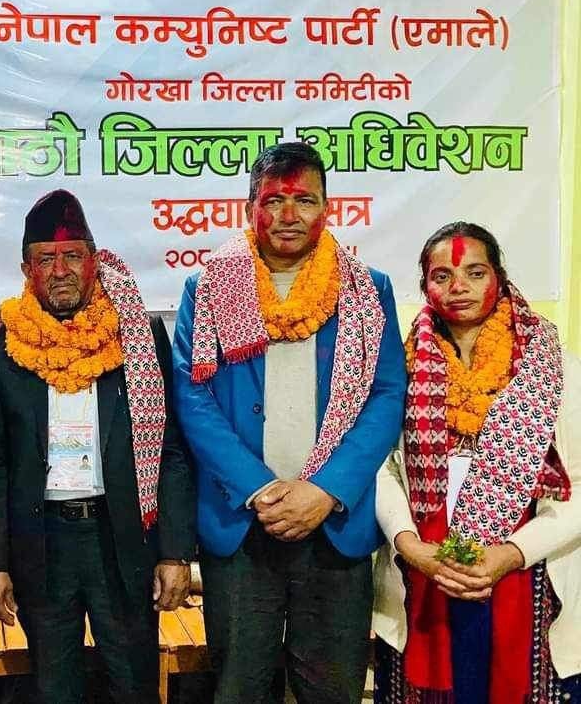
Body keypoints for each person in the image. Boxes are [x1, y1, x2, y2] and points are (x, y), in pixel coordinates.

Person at [171, 142, 406, 704]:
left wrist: (326, 490)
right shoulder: (211, 287)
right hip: (241, 524)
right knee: (240, 687)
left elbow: (386, 395)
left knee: (331, 689)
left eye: (304, 200)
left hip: (334, 523)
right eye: (273, 200)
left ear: (328, 208)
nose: (288, 214)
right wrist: (259, 489)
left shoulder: (366, 289)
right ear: (249, 207)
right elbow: (192, 395)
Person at [0, 189, 196, 704]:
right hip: (42, 543)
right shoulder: (4, 344)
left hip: (119, 537)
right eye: (45, 259)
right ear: (26, 269)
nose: (60, 271)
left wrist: (174, 552)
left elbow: (170, 450)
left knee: (133, 684)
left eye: (73, 256)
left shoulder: (137, 334)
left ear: (94, 261)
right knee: (54, 689)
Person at [373, 221, 581, 703]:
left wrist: (509, 554)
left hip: (529, 572)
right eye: (442, 275)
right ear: (424, 285)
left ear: (499, 278)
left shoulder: (554, 367)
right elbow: (382, 470)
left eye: (475, 272)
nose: (459, 286)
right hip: (424, 571)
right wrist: (409, 544)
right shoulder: (400, 367)